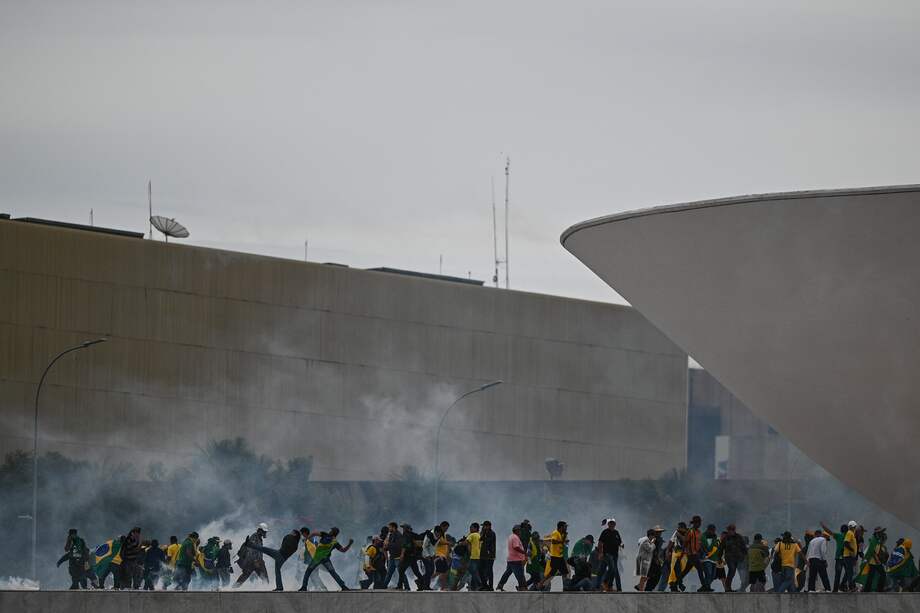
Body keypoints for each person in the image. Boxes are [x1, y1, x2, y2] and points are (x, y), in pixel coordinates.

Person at [240, 527, 305, 591]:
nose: (291, 533)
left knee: (263, 549)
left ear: (295, 534)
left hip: (279, 554)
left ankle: (249, 544)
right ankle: (279, 587)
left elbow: (285, 540)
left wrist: (289, 535)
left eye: (292, 532)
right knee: (277, 572)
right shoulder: (296, 544)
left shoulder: (290, 538)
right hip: (283, 559)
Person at [234, 523, 270, 587]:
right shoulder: (254, 537)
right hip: (254, 562)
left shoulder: (259, 538)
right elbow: (250, 549)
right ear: (260, 530)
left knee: (245, 576)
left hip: (255, 561)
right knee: (246, 576)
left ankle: (234, 587)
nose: (265, 533)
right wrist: (255, 560)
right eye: (264, 531)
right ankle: (234, 588)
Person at [538, 521, 569, 590]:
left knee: (565, 572)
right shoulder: (555, 533)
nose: (566, 528)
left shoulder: (562, 534)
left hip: (560, 557)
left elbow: (563, 542)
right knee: (551, 573)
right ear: (561, 527)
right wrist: (562, 541)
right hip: (555, 557)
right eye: (565, 527)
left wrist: (564, 537)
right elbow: (554, 541)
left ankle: (566, 586)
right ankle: (541, 583)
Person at [497, 524, 528, 591]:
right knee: (520, 575)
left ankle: (500, 586)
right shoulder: (515, 537)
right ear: (517, 530)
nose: (520, 532)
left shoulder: (511, 536)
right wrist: (524, 552)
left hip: (511, 560)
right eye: (520, 530)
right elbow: (516, 547)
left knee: (507, 573)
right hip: (516, 560)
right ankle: (522, 588)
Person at [677, 516, 704, 590]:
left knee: (686, 570)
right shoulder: (690, 531)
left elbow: (699, 544)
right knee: (700, 569)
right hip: (691, 555)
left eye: (700, 522)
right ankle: (704, 585)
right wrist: (682, 555)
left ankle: (676, 582)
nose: (700, 524)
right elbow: (685, 543)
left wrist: (702, 552)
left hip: (696, 554)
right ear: (695, 523)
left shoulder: (699, 532)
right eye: (698, 522)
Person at [821, 523, 850, 592]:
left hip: (839, 558)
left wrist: (823, 526)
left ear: (841, 530)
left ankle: (835, 589)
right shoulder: (849, 537)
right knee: (849, 572)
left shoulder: (838, 536)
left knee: (837, 575)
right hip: (846, 558)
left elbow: (829, 532)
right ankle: (843, 584)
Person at [596, 518, 622, 592]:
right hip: (607, 554)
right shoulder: (605, 532)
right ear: (608, 524)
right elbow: (600, 543)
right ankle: (606, 583)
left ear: (615, 524)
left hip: (615, 555)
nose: (612, 525)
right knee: (613, 569)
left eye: (613, 523)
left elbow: (620, 542)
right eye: (610, 523)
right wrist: (600, 553)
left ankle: (599, 586)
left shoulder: (616, 533)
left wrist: (621, 545)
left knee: (602, 570)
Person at [861, 526, 889, 592]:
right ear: (877, 533)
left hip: (873, 562)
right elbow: (872, 551)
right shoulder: (874, 540)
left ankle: (867, 590)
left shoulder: (876, 540)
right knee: (882, 574)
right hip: (873, 562)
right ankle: (879, 589)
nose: (881, 533)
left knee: (871, 576)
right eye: (880, 532)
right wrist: (877, 560)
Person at [722, 524, 747, 592]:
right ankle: (727, 587)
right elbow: (721, 548)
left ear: (734, 530)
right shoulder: (726, 538)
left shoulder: (739, 537)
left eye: (731, 530)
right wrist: (719, 558)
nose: (730, 532)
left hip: (737, 558)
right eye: (729, 530)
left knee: (733, 572)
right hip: (729, 558)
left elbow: (743, 547)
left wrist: (744, 555)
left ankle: (728, 587)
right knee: (732, 570)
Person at [667, 522, 688, 592]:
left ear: (684, 528)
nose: (678, 529)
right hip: (676, 553)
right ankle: (676, 585)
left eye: (680, 527)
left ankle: (676, 584)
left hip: (684, 554)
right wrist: (668, 551)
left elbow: (685, 540)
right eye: (678, 527)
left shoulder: (688, 533)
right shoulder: (676, 532)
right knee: (674, 569)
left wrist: (679, 535)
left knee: (682, 570)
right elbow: (671, 541)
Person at [699, 524, 721, 592]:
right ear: (708, 530)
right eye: (712, 530)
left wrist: (719, 558)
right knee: (708, 573)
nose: (713, 532)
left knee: (713, 575)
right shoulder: (702, 537)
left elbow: (717, 548)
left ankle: (704, 587)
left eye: (714, 531)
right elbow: (700, 547)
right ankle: (707, 587)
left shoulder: (715, 537)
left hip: (714, 559)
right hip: (705, 558)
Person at [644, 527, 666, 592]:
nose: (660, 533)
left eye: (660, 532)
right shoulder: (653, 540)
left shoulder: (659, 540)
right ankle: (647, 590)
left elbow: (659, 550)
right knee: (652, 577)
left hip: (657, 561)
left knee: (657, 576)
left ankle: (649, 589)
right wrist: (656, 558)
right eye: (658, 532)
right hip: (652, 561)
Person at [382, 521, 403, 588]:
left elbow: (398, 545)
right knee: (389, 573)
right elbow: (390, 545)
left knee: (401, 573)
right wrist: (386, 547)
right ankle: (384, 586)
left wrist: (388, 544)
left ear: (393, 527)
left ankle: (406, 586)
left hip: (397, 557)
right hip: (392, 557)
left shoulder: (398, 535)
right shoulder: (391, 535)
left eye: (389, 527)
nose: (389, 529)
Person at [841, 521, 860, 591]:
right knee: (850, 572)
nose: (855, 528)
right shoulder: (849, 533)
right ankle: (851, 587)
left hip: (850, 556)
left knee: (848, 572)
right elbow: (846, 543)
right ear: (852, 527)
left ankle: (842, 585)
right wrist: (852, 551)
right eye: (854, 527)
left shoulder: (852, 533)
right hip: (848, 556)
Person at [479, 520, 496, 590]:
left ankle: (491, 587)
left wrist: (484, 534)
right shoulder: (484, 533)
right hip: (482, 555)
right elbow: (480, 540)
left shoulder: (492, 533)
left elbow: (487, 542)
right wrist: (482, 533)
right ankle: (484, 585)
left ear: (489, 526)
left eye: (485, 526)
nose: (483, 527)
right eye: (483, 526)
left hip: (489, 556)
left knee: (489, 571)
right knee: (480, 570)